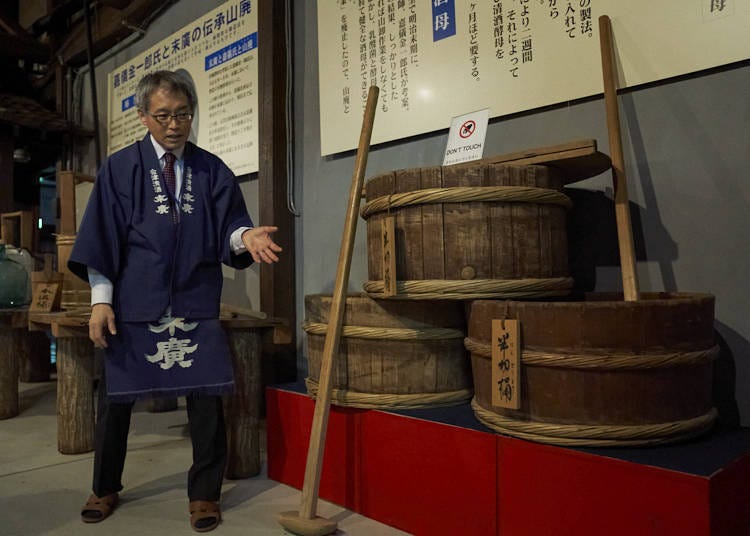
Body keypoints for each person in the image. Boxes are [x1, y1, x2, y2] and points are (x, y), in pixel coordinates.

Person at [68, 70, 282, 532]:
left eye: (183, 114)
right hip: (134, 303)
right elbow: (101, 238)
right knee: (117, 399)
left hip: (194, 299)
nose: (174, 124)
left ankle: (204, 494)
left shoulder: (211, 169)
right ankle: (104, 486)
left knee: (206, 398)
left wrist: (248, 236)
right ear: (143, 116)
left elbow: (231, 227)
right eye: (163, 115)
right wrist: (101, 301)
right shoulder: (120, 169)